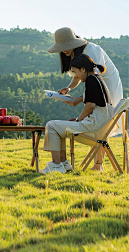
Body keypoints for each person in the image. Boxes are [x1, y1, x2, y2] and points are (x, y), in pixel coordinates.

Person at [47, 27, 123, 170]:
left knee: (104, 124)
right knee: (101, 123)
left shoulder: (91, 52)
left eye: (66, 46)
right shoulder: (78, 57)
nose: (64, 50)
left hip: (109, 88)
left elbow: (96, 82)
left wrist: (79, 103)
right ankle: (96, 165)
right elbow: (79, 77)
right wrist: (69, 89)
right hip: (96, 91)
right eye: (61, 48)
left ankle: (98, 165)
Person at [40, 54, 114, 174]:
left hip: (93, 127)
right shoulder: (97, 78)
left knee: (51, 125)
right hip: (100, 126)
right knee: (58, 128)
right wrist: (77, 117)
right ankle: (63, 163)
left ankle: (56, 165)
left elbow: (90, 106)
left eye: (75, 72)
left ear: (83, 69)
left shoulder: (91, 80)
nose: (76, 76)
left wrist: (78, 120)